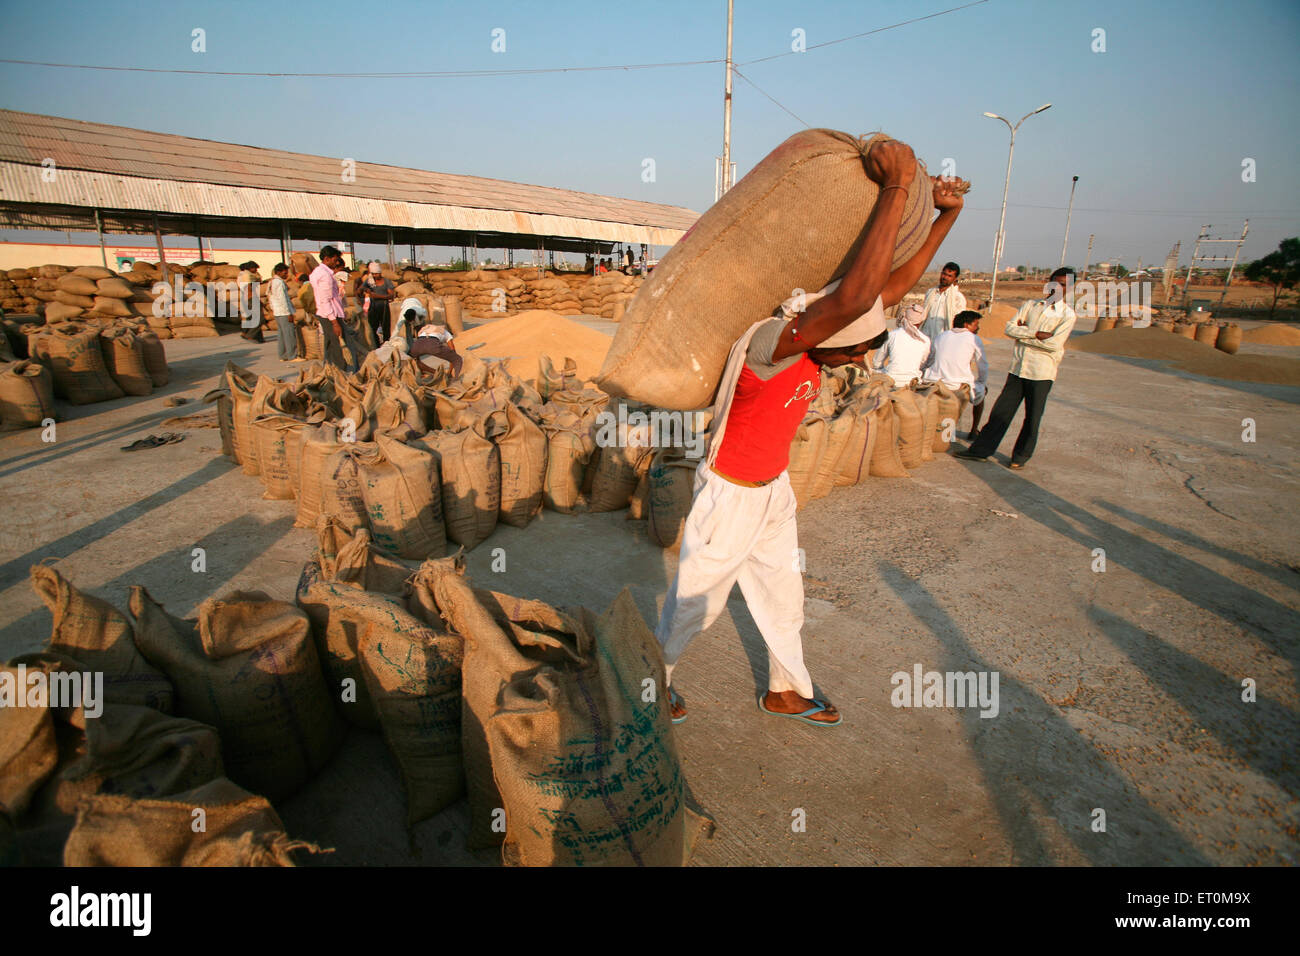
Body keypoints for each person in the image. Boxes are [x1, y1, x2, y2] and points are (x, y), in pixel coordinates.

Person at [656, 142, 965, 728]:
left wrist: (946, 217)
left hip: (771, 489)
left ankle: (786, 690)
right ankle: (650, 679)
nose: (852, 358)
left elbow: (883, 292)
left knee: (783, 598)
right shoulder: (775, 342)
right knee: (696, 603)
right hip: (731, 492)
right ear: (823, 330)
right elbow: (854, 298)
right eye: (850, 347)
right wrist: (897, 186)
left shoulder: (824, 343)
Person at [956, 268, 1078, 469]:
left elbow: (1054, 345)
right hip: (1018, 369)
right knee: (1001, 412)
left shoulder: (1067, 315)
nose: (1058, 287)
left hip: (1042, 373)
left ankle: (1019, 457)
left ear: (1070, 288)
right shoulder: (1031, 306)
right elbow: (1009, 328)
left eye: (1064, 285)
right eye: (1056, 282)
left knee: (1032, 417)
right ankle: (980, 451)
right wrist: (1037, 334)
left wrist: (1024, 332)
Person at [922, 309, 987, 437]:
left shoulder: (941, 336)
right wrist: (981, 382)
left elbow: (930, 359)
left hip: (935, 381)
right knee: (982, 392)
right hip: (957, 385)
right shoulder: (974, 339)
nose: (978, 328)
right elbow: (983, 365)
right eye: (976, 324)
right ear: (966, 325)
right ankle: (974, 430)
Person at [310, 246, 353, 371]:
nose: (337, 262)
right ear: (327, 259)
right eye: (335, 259)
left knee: (329, 343)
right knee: (336, 345)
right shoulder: (325, 276)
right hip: (330, 314)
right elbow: (326, 300)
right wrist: (334, 322)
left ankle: (328, 369)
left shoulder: (317, 272)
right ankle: (340, 371)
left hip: (324, 313)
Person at [871, 302, 931, 387]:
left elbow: (877, 362)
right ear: (921, 322)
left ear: (904, 317)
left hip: (890, 379)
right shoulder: (925, 340)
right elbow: (923, 364)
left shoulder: (892, 334)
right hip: (913, 381)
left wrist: (879, 369)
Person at [919, 261, 966, 343]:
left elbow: (958, 323)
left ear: (955, 279)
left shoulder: (958, 298)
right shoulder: (930, 292)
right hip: (926, 338)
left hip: (944, 340)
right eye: (944, 274)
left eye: (949, 276)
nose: (945, 277)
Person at [267, 263, 298, 362]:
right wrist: (288, 313)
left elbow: (269, 297)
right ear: (278, 272)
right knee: (289, 334)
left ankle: (283, 355)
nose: (286, 275)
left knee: (282, 334)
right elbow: (282, 299)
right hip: (283, 312)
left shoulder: (271, 282)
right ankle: (292, 356)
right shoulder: (279, 283)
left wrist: (273, 309)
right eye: (285, 273)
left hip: (277, 312)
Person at [359, 261, 396, 344]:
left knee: (385, 327)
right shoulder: (369, 281)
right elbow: (360, 290)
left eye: (377, 274)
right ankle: (376, 344)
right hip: (373, 306)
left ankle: (386, 344)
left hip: (384, 306)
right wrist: (365, 290)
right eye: (373, 274)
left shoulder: (386, 282)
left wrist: (377, 296)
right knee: (372, 327)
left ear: (380, 273)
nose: (375, 276)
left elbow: (391, 295)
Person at [236, 261, 263, 342]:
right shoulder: (248, 275)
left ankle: (257, 337)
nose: (256, 270)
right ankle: (250, 335)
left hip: (245, 298)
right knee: (259, 318)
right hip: (251, 298)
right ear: (250, 268)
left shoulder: (242, 275)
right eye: (255, 268)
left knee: (250, 316)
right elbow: (249, 287)